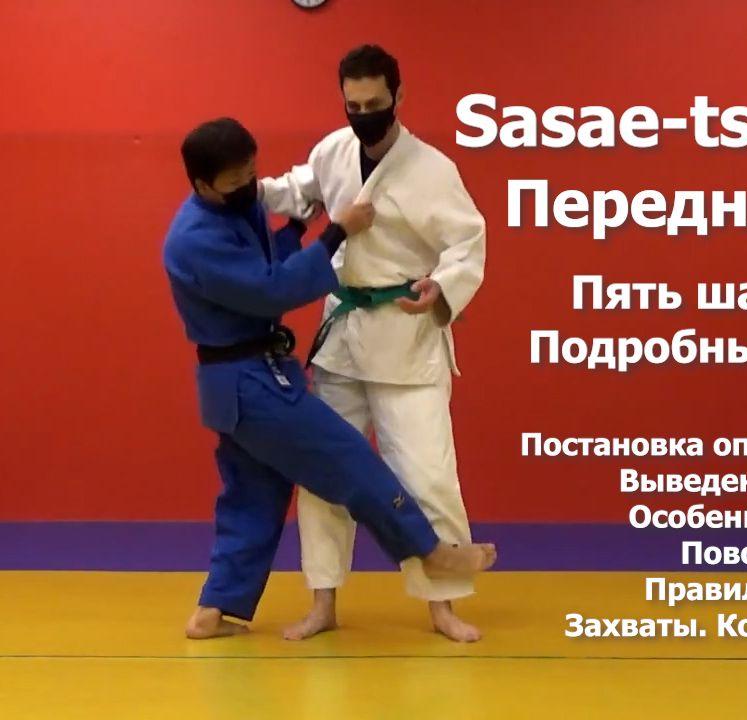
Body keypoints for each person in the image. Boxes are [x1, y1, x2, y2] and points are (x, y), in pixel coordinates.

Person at [162, 117, 496, 640]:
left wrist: (297, 228)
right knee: (346, 460)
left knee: (253, 497)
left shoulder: (232, 210)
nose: (249, 187)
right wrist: (336, 230)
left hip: (247, 380)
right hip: (251, 382)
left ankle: (214, 609)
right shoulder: (193, 240)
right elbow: (271, 289)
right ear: (203, 184)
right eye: (235, 181)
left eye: (252, 174)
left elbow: (269, 259)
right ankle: (428, 551)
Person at [261, 44, 487, 642]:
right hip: (344, 336)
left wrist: (441, 285)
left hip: (407, 336)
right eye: (354, 105)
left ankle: (442, 606)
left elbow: (468, 243)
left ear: (398, 96)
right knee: (323, 474)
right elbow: (294, 192)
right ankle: (323, 603)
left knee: (429, 475)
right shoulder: (332, 152)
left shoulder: (433, 169)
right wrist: (237, 192)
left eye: (374, 103)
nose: (364, 114)